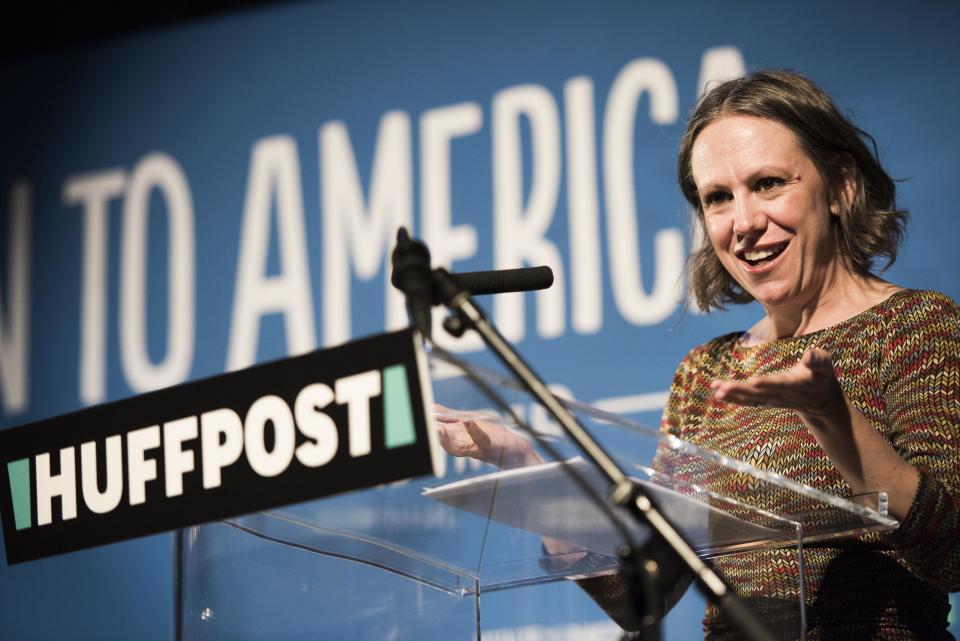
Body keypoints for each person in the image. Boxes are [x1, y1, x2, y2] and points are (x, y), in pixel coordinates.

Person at [436, 69, 960, 640]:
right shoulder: (704, 372)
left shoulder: (912, 327)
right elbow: (644, 595)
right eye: (717, 198)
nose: (744, 223)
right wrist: (523, 466)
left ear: (841, 186)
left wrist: (834, 419)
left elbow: (952, 555)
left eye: (768, 184)